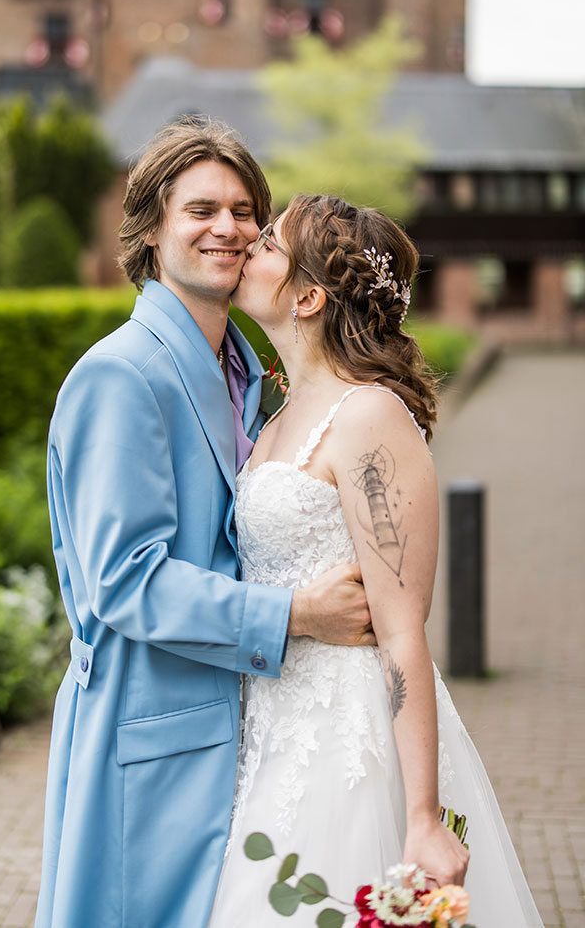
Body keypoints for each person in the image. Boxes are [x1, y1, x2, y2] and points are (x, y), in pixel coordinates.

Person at [35, 120, 377, 928]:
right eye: (200, 209)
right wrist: (296, 614)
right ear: (152, 230)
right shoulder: (119, 376)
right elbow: (125, 580)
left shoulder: (245, 372)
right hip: (148, 736)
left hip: (245, 730)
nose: (227, 227)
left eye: (243, 208)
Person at [208, 193, 542, 925]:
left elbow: (400, 629)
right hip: (268, 725)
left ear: (307, 295)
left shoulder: (370, 416)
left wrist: (421, 813)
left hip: (347, 738)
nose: (243, 246)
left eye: (266, 240)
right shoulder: (275, 412)